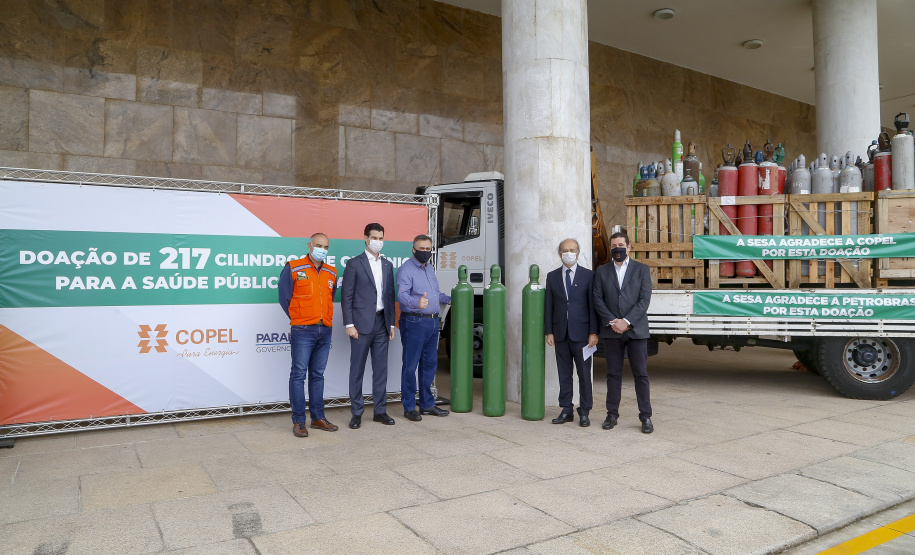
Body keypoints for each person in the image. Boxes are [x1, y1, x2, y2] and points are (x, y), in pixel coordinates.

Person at [592, 231, 654, 433]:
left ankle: (645, 417)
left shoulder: (642, 270)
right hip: (612, 331)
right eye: (613, 246)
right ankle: (612, 414)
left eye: (621, 244)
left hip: (636, 330)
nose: (617, 248)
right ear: (610, 249)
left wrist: (626, 321)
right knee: (613, 374)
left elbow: (644, 300)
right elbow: (598, 300)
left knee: (641, 374)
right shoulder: (601, 271)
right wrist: (614, 322)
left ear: (629, 247)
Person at [278, 233, 339, 437]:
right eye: (319, 245)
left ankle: (317, 418)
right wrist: (300, 316)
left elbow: (331, 296)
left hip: (325, 329)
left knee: (317, 375)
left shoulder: (331, 271)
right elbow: (284, 296)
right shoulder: (294, 267)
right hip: (303, 329)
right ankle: (298, 421)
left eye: (326, 246)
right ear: (309, 245)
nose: (322, 249)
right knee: (298, 375)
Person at [341, 223, 397, 430]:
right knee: (357, 370)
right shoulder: (354, 264)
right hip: (360, 325)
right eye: (374, 237)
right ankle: (356, 413)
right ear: (365, 238)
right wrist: (349, 324)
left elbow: (389, 297)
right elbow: (346, 296)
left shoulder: (387, 265)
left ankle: (380, 411)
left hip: (382, 324)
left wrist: (391, 323)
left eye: (381, 238)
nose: (378, 241)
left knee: (380, 370)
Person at [545, 238, 599, 427]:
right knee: (564, 373)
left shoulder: (588, 275)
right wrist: (549, 331)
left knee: (584, 374)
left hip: (583, 334)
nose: (569, 253)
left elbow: (593, 306)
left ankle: (584, 411)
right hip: (560, 333)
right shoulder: (552, 276)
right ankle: (566, 409)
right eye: (565, 250)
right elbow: (549, 306)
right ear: (560, 253)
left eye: (573, 249)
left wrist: (594, 332)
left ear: (578, 252)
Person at [396, 235, 451, 421]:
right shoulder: (406, 270)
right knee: (410, 366)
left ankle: (427, 404)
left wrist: (450, 299)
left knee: (429, 365)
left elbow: (436, 294)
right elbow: (402, 296)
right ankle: (409, 407)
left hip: (433, 322)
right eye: (422, 249)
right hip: (414, 322)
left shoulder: (430, 269)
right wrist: (416, 302)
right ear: (413, 249)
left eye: (428, 249)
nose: (425, 252)